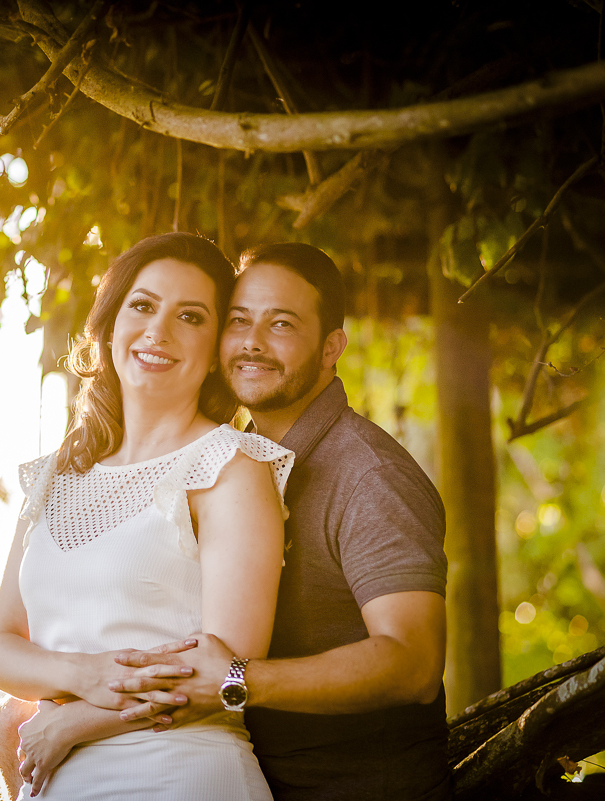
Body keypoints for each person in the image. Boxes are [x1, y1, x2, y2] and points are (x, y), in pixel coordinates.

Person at [106, 242, 451, 800]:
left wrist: (237, 680)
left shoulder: (369, 475)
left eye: (281, 324)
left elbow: (414, 662)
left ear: (330, 347)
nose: (252, 342)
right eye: (239, 320)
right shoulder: (224, 461)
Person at [0, 232, 296, 800]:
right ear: (109, 326)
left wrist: (75, 722)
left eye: (190, 316)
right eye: (143, 306)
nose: (158, 331)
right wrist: (83, 675)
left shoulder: (231, 467)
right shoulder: (54, 475)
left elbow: (228, 669)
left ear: (215, 350)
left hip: (181, 775)